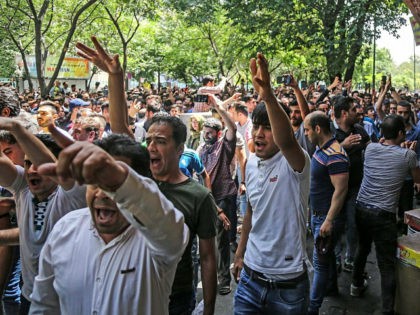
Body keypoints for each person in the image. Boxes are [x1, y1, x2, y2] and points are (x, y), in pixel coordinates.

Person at [76, 36, 218, 315]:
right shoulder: (140, 182)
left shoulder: (198, 196)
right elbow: (120, 129)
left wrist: (210, 307)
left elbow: (208, 256)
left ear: (180, 149)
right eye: (149, 139)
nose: (151, 146)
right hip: (134, 284)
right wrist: (115, 77)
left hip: (178, 295)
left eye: (161, 141)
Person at [29, 129, 189, 314]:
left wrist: (121, 180)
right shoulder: (64, 229)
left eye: (113, 186)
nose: (103, 194)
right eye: (95, 181)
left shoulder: (159, 240)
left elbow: (170, 229)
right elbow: (44, 305)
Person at [232, 53, 311, 314]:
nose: (259, 133)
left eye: (267, 127)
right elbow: (251, 211)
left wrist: (268, 96)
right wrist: (240, 254)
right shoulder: (251, 163)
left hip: (288, 284)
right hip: (251, 279)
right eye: (256, 126)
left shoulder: (296, 163)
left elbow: (287, 140)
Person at [0, 118, 87, 314]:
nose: (32, 170)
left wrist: (16, 129)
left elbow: (54, 168)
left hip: (66, 303)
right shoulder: (23, 189)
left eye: (38, 164)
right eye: (28, 163)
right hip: (30, 297)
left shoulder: (73, 195)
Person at [351, 115, 420, 315]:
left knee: (362, 247)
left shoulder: (370, 148)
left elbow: (382, 150)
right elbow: (417, 179)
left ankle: (355, 285)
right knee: (386, 263)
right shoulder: (407, 156)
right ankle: (387, 310)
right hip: (383, 215)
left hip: (361, 208)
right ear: (400, 133)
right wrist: (410, 152)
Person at [304, 111, 349, 314]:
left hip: (326, 217)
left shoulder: (335, 154)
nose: (305, 134)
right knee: (327, 259)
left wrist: (329, 220)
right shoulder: (322, 149)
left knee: (320, 265)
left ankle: (313, 308)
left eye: (307, 130)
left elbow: (341, 190)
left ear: (318, 129)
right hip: (318, 215)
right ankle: (331, 288)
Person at [199, 96, 237, 296]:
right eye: (204, 132)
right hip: (206, 199)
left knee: (221, 241)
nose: (206, 136)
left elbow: (232, 128)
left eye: (210, 133)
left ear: (218, 133)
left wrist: (220, 108)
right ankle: (209, 277)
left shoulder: (224, 146)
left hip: (223, 197)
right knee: (207, 240)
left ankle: (224, 280)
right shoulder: (201, 150)